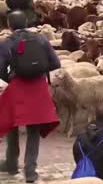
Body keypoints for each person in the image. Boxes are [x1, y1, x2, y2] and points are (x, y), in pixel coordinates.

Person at [0, 11, 60, 183]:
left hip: (18, 86)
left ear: (9, 25)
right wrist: (38, 71)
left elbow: (1, 69)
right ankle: (30, 171)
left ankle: (11, 162)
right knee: (34, 129)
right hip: (38, 87)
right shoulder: (41, 39)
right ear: (26, 22)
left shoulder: (7, 42)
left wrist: (12, 77)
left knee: (12, 122)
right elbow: (55, 63)